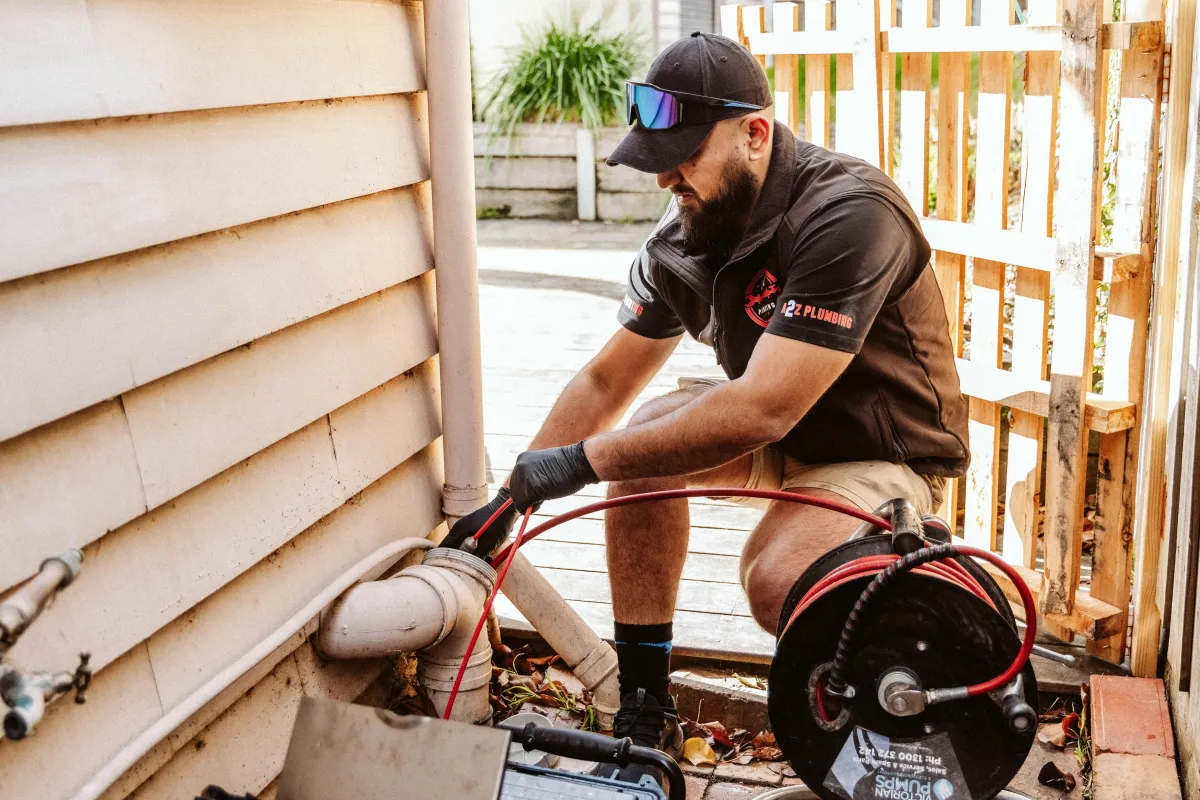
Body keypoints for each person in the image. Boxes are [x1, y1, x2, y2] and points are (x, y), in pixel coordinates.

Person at [444, 32, 969, 786]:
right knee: (645, 446)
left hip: (874, 445)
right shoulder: (686, 234)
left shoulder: (849, 213)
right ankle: (645, 700)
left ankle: (895, 705)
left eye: (686, 154)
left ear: (756, 134)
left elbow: (764, 409)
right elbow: (603, 384)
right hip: (774, 421)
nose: (666, 178)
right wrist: (509, 502)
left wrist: (579, 464)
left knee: (773, 576)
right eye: (658, 156)